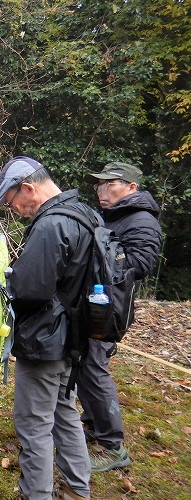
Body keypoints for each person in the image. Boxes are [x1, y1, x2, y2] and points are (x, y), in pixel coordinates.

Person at [0, 156, 94, 500]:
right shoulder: (83, 213)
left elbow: (29, 290)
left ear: (27, 188)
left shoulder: (50, 225)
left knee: (34, 424)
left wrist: (4, 284)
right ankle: (77, 497)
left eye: (13, 200)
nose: (15, 209)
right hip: (74, 340)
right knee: (65, 412)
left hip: (46, 340)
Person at [79, 162, 162, 472]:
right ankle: (91, 425)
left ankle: (112, 445)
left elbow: (139, 264)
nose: (103, 191)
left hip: (110, 310)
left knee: (93, 367)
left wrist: (102, 249)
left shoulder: (141, 220)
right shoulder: (109, 216)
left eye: (110, 184)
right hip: (93, 303)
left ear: (131, 188)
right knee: (83, 366)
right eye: (100, 185)